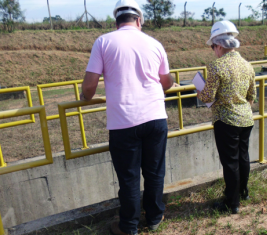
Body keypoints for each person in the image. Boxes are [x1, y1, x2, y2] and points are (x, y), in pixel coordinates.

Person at [79, 0, 174, 234]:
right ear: (139, 20)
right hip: (155, 118)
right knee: (154, 171)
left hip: (123, 122)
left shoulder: (103, 41)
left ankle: (128, 226)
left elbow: (89, 87)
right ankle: (154, 218)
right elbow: (167, 82)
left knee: (129, 177)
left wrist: (85, 97)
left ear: (116, 21)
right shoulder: (154, 43)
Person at [197, 20, 256, 214]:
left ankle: (232, 202)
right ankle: (243, 192)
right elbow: (251, 96)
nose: (213, 50)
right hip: (246, 119)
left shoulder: (216, 66)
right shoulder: (248, 65)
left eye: (213, 46)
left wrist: (199, 90)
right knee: (243, 157)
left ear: (220, 45)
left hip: (226, 120)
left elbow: (208, 96)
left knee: (230, 162)